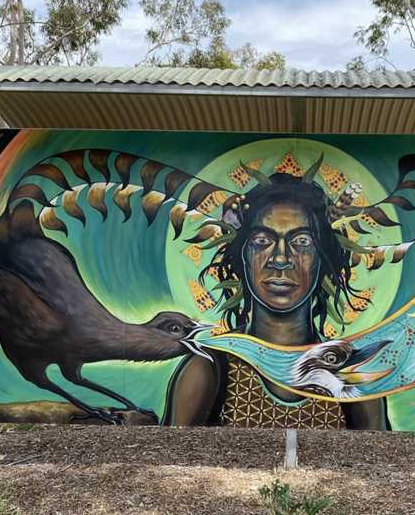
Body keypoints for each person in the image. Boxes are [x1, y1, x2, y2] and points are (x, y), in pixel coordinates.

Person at [163, 171, 389, 429]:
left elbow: (376, 463)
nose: (280, 259)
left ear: (322, 259)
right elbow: (169, 462)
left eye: (302, 241)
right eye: (262, 241)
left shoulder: (350, 374)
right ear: (243, 257)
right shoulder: (210, 368)